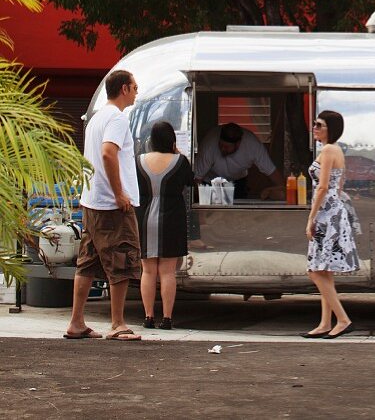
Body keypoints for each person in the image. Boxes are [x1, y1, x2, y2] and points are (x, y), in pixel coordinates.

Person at [64, 69, 142, 341]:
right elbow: (109, 153)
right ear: (124, 89)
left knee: (88, 261)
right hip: (110, 204)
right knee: (121, 258)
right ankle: (118, 323)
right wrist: (119, 194)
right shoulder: (118, 118)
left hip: (92, 200)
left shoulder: (97, 118)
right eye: (134, 86)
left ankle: (77, 322)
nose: (136, 91)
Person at [302, 109, 361, 339]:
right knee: (324, 270)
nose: (314, 128)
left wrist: (311, 217)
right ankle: (325, 323)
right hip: (334, 212)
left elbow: (323, 186)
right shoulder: (337, 150)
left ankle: (343, 319)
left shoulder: (328, 150)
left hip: (327, 214)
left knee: (314, 271)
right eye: (315, 125)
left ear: (330, 129)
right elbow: (339, 185)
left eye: (319, 125)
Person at [136, 119, 195, 329]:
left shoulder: (139, 160)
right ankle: (167, 318)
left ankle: (148, 316)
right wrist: (177, 152)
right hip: (171, 219)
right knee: (168, 272)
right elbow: (191, 181)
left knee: (148, 270)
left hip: (144, 219)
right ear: (172, 139)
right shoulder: (180, 161)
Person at [194, 122, 284, 200]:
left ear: (238, 144)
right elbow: (197, 179)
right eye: (220, 145)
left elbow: (271, 171)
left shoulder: (252, 145)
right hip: (211, 181)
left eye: (226, 147)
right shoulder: (209, 146)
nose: (222, 149)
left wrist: (286, 191)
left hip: (238, 181)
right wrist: (199, 201)